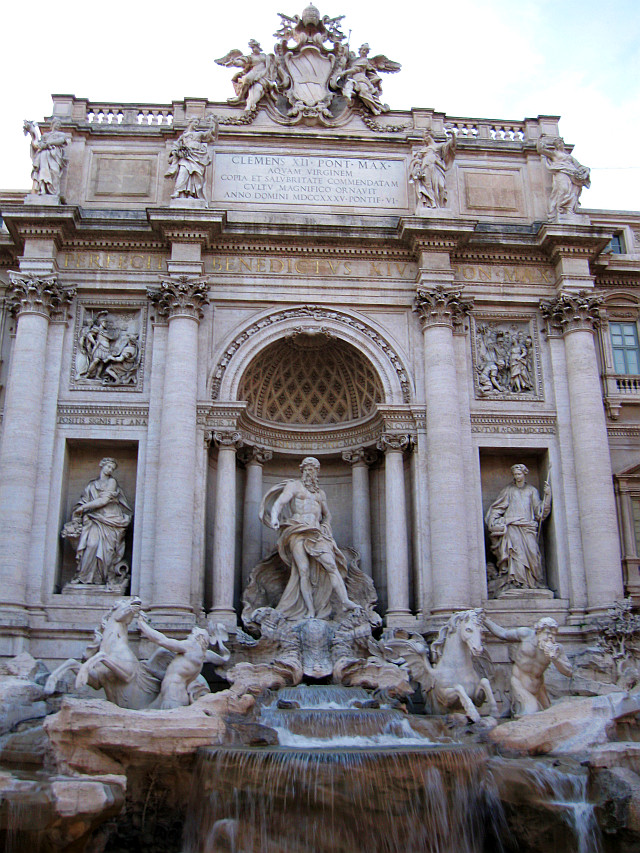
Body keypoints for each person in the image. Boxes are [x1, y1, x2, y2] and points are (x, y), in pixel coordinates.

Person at [259, 457, 359, 621]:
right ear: (302, 470)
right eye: (307, 469)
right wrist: (275, 517)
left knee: (332, 565)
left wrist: (326, 526)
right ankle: (310, 610)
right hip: (297, 531)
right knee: (303, 570)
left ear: (317, 472)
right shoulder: (294, 486)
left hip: (317, 533)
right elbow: (280, 502)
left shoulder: (320, 494)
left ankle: (345, 600)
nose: (310, 472)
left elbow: (327, 515)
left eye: (313, 469)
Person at [483, 616, 572, 715]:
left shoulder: (557, 649)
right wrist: (485, 620)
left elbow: (568, 672)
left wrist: (555, 659)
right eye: (547, 633)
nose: (550, 637)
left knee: (548, 715)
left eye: (553, 634)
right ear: (539, 631)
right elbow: (503, 634)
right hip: (519, 683)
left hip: (539, 688)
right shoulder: (525, 635)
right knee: (530, 714)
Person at [63, 458, 132, 585]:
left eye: (112, 468)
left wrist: (83, 507)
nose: (110, 470)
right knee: (91, 545)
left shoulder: (112, 482)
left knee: (107, 551)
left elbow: (104, 500)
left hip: (111, 519)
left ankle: (101, 579)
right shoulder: (91, 485)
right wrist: (80, 510)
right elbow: (83, 500)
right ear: (102, 466)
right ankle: (84, 577)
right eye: (108, 467)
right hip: (94, 519)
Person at [138, 619, 229, 710]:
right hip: (176, 695)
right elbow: (173, 674)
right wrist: (153, 671)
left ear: (198, 637)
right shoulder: (201, 656)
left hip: (172, 696)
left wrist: (142, 624)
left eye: (192, 633)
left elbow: (162, 640)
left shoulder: (191, 646)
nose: (188, 635)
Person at [485, 463, 551, 590]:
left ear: (524, 474)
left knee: (533, 554)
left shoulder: (532, 491)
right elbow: (497, 508)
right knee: (516, 555)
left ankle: (532, 582)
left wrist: (547, 496)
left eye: (519, 474)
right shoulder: (508, 490)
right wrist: (493, 520)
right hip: (513, 527)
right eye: (515, 475)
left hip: (528, 527)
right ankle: (517, 583)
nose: (517, 477)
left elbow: (540, 512)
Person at [536, 135, 590, 218]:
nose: (559, 144)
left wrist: (586, 170)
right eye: (558, 143)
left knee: (572, 192)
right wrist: (539, 140)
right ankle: (559, 209)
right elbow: (541, 150)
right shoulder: (554, 154)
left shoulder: (569, 156)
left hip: (572, 174)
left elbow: (579, 166)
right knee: (563, 189)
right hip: (561, 172)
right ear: (556, 145)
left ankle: (568, 210)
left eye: (561, 142)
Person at [165, 117, 217, 200]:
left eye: (197, 123)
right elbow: (175, 147)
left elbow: (211, 135)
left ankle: (193, 194)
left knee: (196, 175)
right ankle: (179, 192)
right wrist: (177, 152)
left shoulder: (199, 134)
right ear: (190, 122)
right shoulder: (182, 137)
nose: (196, 124)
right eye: (195, 122)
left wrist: (214, 124)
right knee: (183, 172)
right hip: (186, 157)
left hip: (197, 157)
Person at [409, 130, 456, 209]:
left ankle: (440, 205)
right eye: (424, 137)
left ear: (431, 136)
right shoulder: (423, 150)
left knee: (441, 186)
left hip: (437, 168)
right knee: (428, 186)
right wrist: (417, 167)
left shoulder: (440, 146)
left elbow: (452, 145)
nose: (425, 138)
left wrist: (453, 135)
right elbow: (416, 159)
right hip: (426, 168)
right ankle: (432, 203)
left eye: (427, 136)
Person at [23, 118, 68, 196]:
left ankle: (53, 191)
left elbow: (61, 140)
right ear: (52, 124)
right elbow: (37, 144)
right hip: (44, 154)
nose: (58, 125)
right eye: (57, 124)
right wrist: (32, 131)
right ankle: (43, 189)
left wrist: (48, 143)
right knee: (43, 171)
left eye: (59, 124)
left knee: (54, 171)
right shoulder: (46, 135)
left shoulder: (61, 134)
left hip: (55, 155)